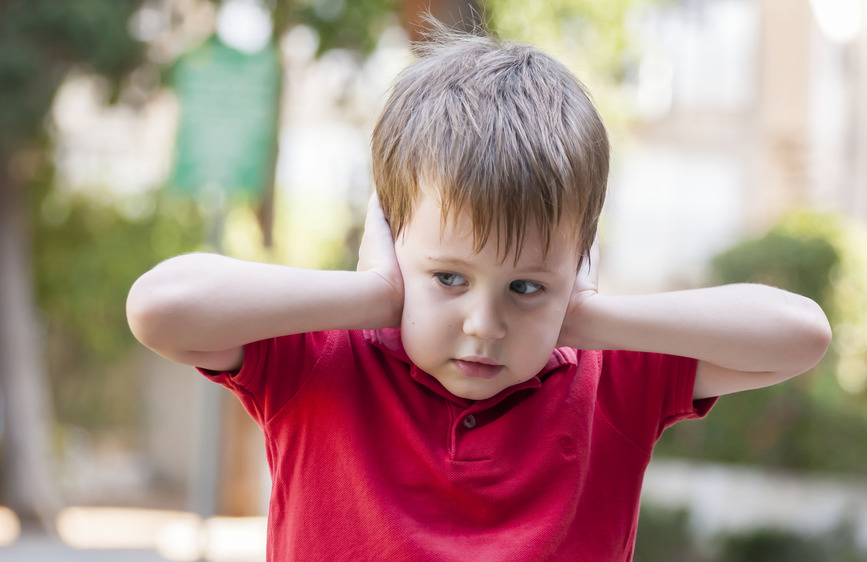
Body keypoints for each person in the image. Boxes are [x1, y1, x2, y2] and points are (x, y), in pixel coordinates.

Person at [127, 23, 831, 562]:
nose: (484, 324)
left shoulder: (611, 378)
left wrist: (579, 319)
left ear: (579, 266)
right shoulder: (320, 361)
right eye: (449, 279)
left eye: (525, 285)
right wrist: (375, 296)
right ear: (394, 242)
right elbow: (160, 307)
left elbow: (801, 335)